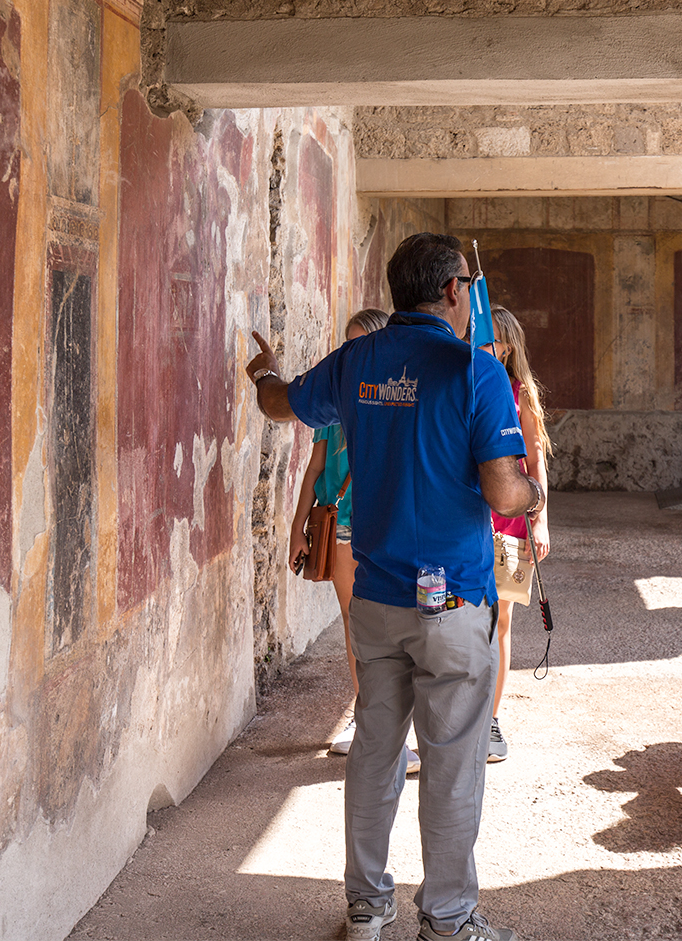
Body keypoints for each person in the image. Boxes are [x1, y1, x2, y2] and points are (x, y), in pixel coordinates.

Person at [245, 232, 539, 941]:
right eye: (466, 284)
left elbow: (281, 404)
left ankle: (367, 908)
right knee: (452, 764)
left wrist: (262, 372)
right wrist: (529, 493)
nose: (471, 294)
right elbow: (504, 492)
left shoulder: (358, 361)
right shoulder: (474, 372)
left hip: (375, 596)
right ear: (450, 290)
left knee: (376, 754)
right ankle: (446, 919)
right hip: (453, 599)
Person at [288, 309, 417, 767]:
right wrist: (296, 530)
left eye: (360, 342)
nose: (351, 352)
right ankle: (367, 718)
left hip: (385, 523)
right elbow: (316, 469)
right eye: (348, 343)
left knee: (400, 624)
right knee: (354, 621)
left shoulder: (398, 396)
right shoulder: (335, 399)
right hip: (341, 524)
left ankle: (402, 728)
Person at [479, 305, 551, 763]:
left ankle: (491, 719)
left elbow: (536, 461)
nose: (491, 347)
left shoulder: (520, 392)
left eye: (498, 340)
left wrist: (542, 519)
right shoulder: (466, 386)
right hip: (468, 520)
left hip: (510, 523)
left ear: (509, 347)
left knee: (500, 623)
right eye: (484, 338)